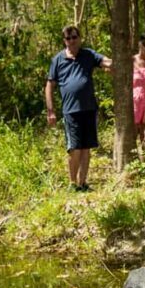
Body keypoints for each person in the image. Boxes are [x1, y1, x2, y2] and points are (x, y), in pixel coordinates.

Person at [45, 25, 112, 191]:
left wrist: (114, 64)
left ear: (79, 38)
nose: (72, 41)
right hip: (70, 111)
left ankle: (82, 183)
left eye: (74, 37)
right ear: (64, 41)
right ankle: (72, 184)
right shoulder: (58, 60)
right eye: (68, 38)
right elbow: (49, 85)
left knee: (86, 148)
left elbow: (106, 61)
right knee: (74, 149)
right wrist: (51, 110)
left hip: (89, 108)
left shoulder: (88, 54)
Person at [132, 36, 145, 131]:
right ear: (140, 46)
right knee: (133, 128)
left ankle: (144, 146)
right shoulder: (132, 60)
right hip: (135, 100)